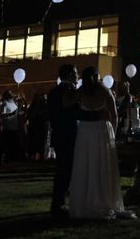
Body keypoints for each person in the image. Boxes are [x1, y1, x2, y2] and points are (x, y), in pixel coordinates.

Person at [67, 66, 134, 219]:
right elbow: (114, 115)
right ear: (97, 76)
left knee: (85, 164)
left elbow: (68, 102)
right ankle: (104, 200)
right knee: (101, 163)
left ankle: (85, 201)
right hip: (101, 129)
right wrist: (114, 133)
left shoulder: (81, 91)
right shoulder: (104, 91)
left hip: (85, 131)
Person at [47, 64, 79, 218]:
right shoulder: (69, 91)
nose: (78, 76)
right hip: (68, 134)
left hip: (58, 134)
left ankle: (58, 202)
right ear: (70, 75)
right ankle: (59, 205)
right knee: (66, 171)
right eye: (76, 73)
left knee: (62, 170)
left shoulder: (53, 92)